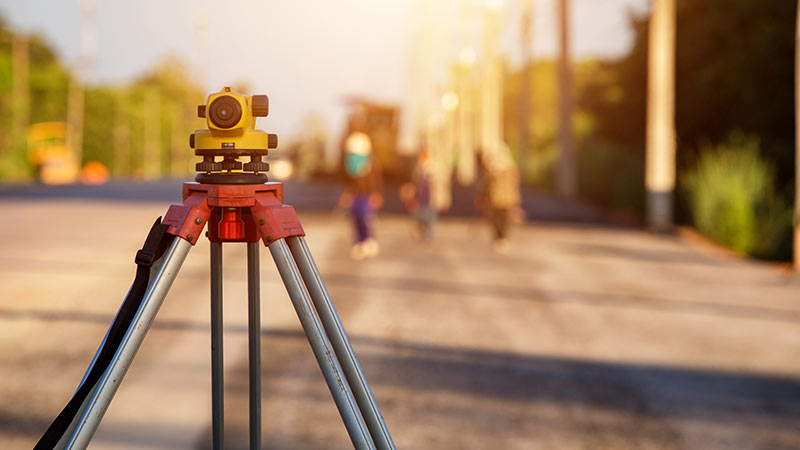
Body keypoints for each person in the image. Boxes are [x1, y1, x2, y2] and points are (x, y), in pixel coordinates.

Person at [339, 131, 383, 260]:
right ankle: (359, 242)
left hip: (366, 195)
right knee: (355, 219)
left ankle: (369, 241)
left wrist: (375, 194)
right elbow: (348, 181)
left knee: (366, 219)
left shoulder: (371, 162)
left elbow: (376, 179)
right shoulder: (349, 163)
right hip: (355, 196)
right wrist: (346, 194)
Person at [476, 145, 522, 253]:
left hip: (506, 197)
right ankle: (497, 237)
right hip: (493, 197)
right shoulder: (490, 168)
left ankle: (503, 237)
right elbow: (485, 184)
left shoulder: (511, 168)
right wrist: (481, 195)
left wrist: (515, 198)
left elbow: (514, 184)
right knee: (493, 218)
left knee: (505, 219)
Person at [399, 149, 438, 241]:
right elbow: (416, 183)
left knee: (429, 217)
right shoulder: (418, 168)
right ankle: (422, 232)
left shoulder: (432, 168)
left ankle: (429, 234)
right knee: (419, 216)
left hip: (429, 199)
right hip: (420, 198)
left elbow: (434, 185)